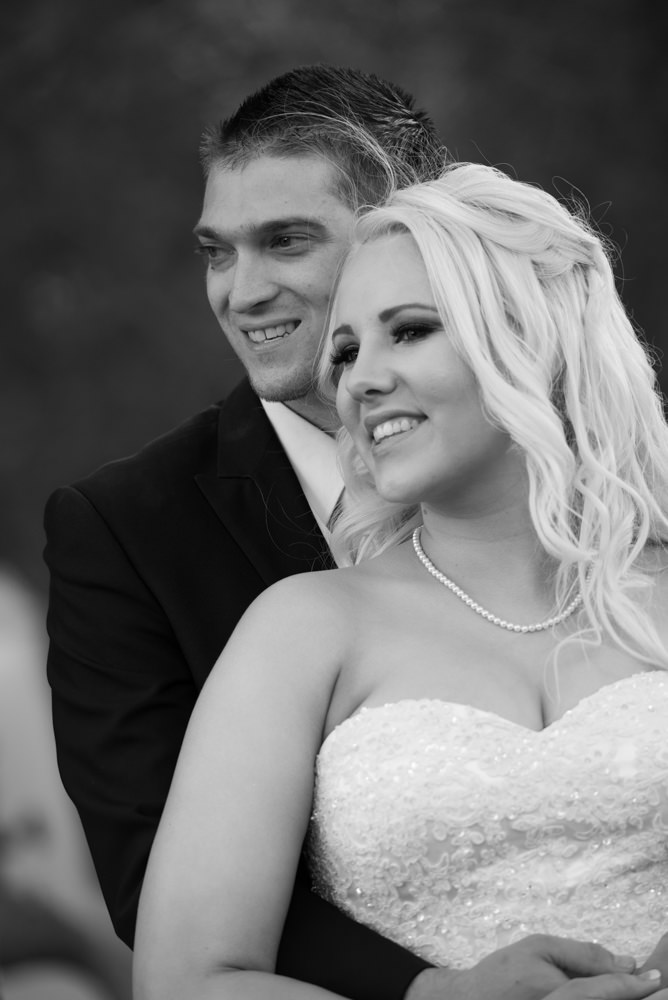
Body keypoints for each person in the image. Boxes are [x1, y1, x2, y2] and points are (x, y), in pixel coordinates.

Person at [132, 161, 668, 1000]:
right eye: (345, 352)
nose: (358, 382)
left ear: (534, 334)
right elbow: (186, 981)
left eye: (409, 330)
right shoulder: (303, 629)